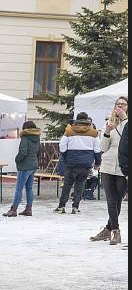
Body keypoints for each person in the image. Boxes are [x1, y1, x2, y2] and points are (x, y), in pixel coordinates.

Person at [91, 96, 129, 245]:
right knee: (111, 200)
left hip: (123, 167)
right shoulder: (109, 123)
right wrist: (107, 131)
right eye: (118, 104)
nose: (120, 107)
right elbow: (103, 148)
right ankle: (115, 231)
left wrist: (125, 119)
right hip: (107, 166)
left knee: (117, 200)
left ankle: (108, 229)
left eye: (123, 104)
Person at [55, 112, 102, 215]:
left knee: (67, 185)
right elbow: (97, 149)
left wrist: (66, 157)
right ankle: (75, 207)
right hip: (86, 163)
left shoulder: (69, 131)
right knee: (80, 185)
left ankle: (61, 206)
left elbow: (62, 146)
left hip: (71, 162)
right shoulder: (94, 132)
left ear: (77, 119)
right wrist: (97, 163)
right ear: (87, 120)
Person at [3, 121, 41, 217]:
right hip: (33, 165)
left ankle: (13, 209)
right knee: (29, 188)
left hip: (25, 166)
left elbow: (23, 152)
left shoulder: (25, 138)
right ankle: (29, 209)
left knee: (19, 189)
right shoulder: (37, 137)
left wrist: (17, 159)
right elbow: (38, 152)